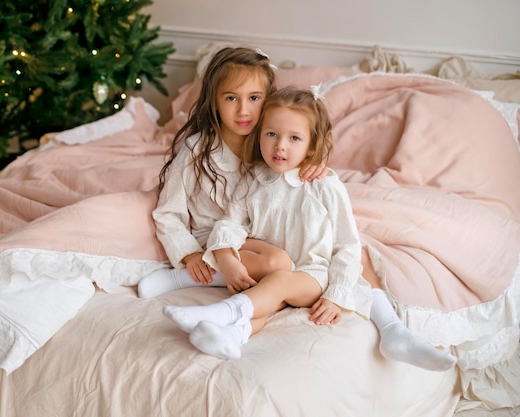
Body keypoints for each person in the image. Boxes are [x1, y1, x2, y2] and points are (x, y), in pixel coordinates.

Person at [163, 86, 458, 372]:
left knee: (279, 281)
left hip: (312, 275)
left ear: (311, 146)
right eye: (271, 134)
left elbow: (347, 244)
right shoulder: (255, 179)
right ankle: (229, 336)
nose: (280, 145)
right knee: (267, 301)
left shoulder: (324, 185)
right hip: (274, 271)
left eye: (294, 138)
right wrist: (225, 255)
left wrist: (336, 295)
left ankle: (220, 312)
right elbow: (231, 222)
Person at [137, 47, 324, 299]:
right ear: (214, 100)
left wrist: (315, 162)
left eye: (254, 98)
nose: (243, 110)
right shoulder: (197, 150)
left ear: (268, 99)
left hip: (256, 239)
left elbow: (305, 141)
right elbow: (168, 212)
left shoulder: (271, 145)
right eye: (231, 98)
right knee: (277, 263)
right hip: (212, 240)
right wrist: (190, 255)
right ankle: (181, 279)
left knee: (293, 262)